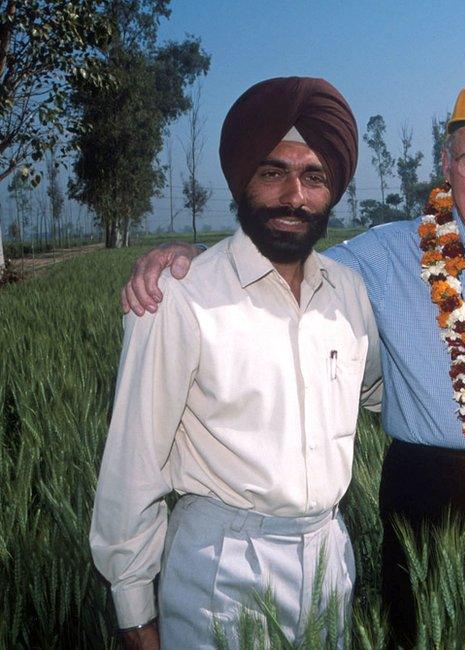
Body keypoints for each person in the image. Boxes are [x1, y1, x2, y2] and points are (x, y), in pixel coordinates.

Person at [122, 83, 465, 646]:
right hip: (428, 503)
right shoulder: (382, 255)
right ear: (446, 165)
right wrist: (191, 263)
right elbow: (282, 254)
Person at [91, 76, 382, 649]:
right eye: (273, 172)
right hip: (219, 571)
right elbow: (134, 462)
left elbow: (379, 393)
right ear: (242, 178)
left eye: (314, 176)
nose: (294, 195)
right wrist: (135, 615)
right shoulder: (180, 296)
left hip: (329, 562)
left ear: (333, 190)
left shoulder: (349, 293)